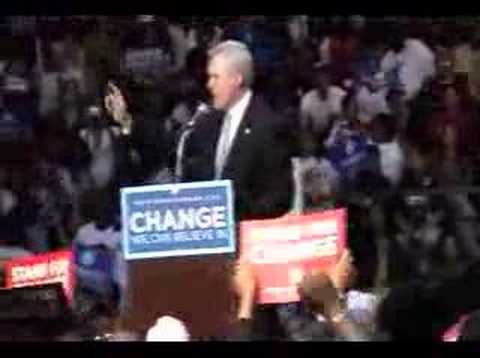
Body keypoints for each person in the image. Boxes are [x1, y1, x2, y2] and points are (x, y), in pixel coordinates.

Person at [183, 40, 293, 221]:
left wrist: (237, 223)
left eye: (215, 77)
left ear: (236, 79)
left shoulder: (269, 126)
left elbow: (278, 196)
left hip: (249, 236)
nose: (209, 85)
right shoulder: (205, 123)